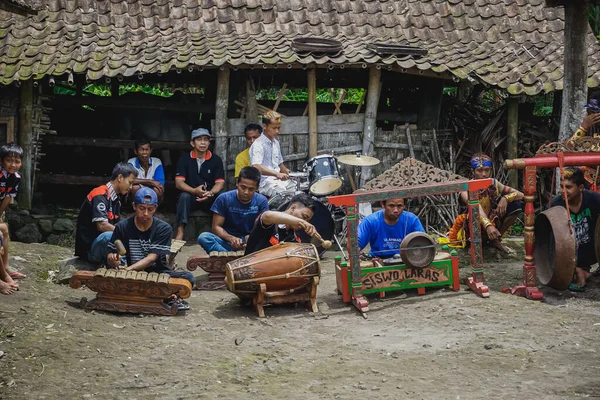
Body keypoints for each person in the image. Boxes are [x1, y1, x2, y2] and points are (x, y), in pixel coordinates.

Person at [106, 187, 194, 309]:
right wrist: (113, 259)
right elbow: (111, 253)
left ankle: (159, 295)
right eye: (142, 208)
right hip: (132, 275)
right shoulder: (122, 227)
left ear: (155, 209)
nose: (146, 213)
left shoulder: (163, 229)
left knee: (188, 278)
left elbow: (152, 258)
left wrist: (128, 270)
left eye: (150, 209)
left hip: (158, 274)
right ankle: (164, 296)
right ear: (134, 206)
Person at [449, 153, 524, 254]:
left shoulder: (493, 183)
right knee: (472, 214)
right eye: (480, 170)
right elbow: (475, 206)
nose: (484, 174)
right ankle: (473, 243)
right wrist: (488, 225)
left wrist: (505, 198)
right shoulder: (465, 187)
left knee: (516, 205)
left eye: (487, 170)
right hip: (471, 226)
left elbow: (520, 195)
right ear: (473, 172)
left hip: (491, 220)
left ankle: (495, 240)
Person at [74, 162, 138, 265]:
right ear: (120, 178)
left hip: (104, 246)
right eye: (130, 182)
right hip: (90, 249)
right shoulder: (99, 194)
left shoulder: (116, 200)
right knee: (110, 235)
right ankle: (124, 264)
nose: (131, 187)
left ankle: (126, 262)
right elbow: (101, 225)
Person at [550, 168, 600, 292]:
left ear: (581, 187)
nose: (563, 191)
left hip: (592, 250)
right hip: (568, 254)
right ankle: (580, 272)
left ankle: (583, 272)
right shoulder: (556, 204)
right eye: (561, 186)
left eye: (568, 187)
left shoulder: (594, 199)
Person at [198, 166, 268, 253]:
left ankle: (227, 258)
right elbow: (216, 227)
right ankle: (228, 257)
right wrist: (231, 238)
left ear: (257, 188)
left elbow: (263, 230)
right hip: (227, 242)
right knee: (204, 237)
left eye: (251, 189)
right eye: (243, 187)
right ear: (237, 183)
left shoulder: (262, 201)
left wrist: (250, 242)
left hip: (251, 244)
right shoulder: (224, 198)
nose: (246, 192)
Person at [175, 128, 225, 240]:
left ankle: (218, 231)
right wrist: (194, 191)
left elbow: (220, 183)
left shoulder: (216, 160)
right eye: (199, 139)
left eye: (206, 140)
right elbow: (179, 183)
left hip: (209, 197)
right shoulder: (184, 159)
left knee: (222, 197)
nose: (203, 143)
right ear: (192, 143)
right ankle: (180, 232)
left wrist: (210, 193)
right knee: (183, 196)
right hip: (191, 196)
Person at [244, 193, 318, 255]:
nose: (305, 222)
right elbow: (267, 216)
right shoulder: (272, 221)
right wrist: (300, 221)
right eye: (304, 217)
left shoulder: (295, 238)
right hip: (249, 269)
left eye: (307, 221)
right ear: (293, 208)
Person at [358, 198, 424, 259]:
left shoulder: (412, 220)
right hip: (378, 260)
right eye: (391, 206)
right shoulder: (370, 221)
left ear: (404, 206)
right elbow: (356, 245)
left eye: (399, 206)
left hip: (406, 260)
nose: (396, 210)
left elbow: (424, 243)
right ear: (383, 204)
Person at [249, 110, 295, 197]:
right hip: (265, 183)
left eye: (279, 128)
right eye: (274, 128)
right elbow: (256, 166)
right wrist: (276, 174)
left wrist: (291, 175)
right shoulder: (258, 144)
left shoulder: (276, 143)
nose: (277, 131)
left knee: (299, 191)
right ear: (265, 126)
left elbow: (280, 164)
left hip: (279, 182)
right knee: (285, 196)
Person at [0, 143, 23, 295]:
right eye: (9, 160)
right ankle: (3, 275)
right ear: (2, 160)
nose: (13, 165)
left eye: (17, 161)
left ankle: (6, 266)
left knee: (4, 229)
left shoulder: (15, 178)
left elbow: (7, 199)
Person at [568, 95, 600, 190]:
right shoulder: (589, 126)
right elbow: (569, 147)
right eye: (590, 112)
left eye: (597, 113)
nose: (593, 116)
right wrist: (583, 127)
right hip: (589, 178)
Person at [127, 137, 165, 202]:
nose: (144, 153)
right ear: (135, 151)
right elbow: (129, 180)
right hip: (138, 193)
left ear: (151, 151)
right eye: (141, 150)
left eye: (147, 149)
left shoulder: (157, 162)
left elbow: (160, 183)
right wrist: (150, 182)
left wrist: (140, 181)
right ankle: (137, 210)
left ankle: (152, 209)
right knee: (134, 188)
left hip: (152, 192)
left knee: (158, 189)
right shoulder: (131, 162)